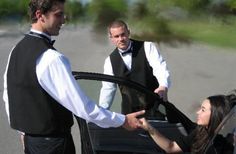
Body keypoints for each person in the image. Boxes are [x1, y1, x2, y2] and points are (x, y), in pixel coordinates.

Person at [2, 0, 145, 154]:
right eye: (58, 15)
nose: (64, 20)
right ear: (40, 15)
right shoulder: (52, 58)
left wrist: (23, 132)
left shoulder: (16, 49)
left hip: (31, 143)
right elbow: (83, 107)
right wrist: (122, 120)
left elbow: (9, 95)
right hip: (54, 146)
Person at [99, 20, 170, 117]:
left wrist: (163, 85)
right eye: (116, 36)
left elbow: (160, 67)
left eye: (123, 34)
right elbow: (108, 89)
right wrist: (101, 112)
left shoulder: (147, 47)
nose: (121, 39)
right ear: (111, 38)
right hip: (129, 114)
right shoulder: (110, 61)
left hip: (155, 108)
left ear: (128, 32)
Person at [139, 93, 235, 153]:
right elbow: (171, 147)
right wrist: (148, 128)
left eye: (203, 110)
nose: (198, 112)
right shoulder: (200, 131)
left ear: (215, 116)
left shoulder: (223, 146)